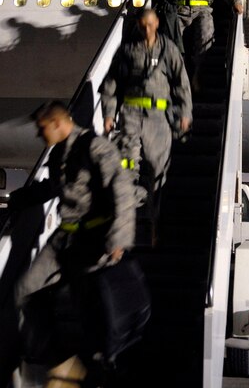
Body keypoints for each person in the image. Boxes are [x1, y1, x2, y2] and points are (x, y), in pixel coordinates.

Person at [7, 100, 147, 384]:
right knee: (24, 290)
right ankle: (52, 356)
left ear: (58, 123)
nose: (38, 135)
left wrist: (119, 239)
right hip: (63, 240)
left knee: (92, 313)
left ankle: (99, 370)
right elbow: (54, 187)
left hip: (92, 242)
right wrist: (19, 199)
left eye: (42, 128)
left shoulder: (96, 148)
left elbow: (122, 193)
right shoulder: (59, 152)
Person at [99, 8, 193, 241]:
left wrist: (185, 111)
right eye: (142, 25)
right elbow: (112, 83)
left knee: (156, 168)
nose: (146, 29)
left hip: (158, 116)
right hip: (130, 113)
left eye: (150, 25)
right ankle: (128, 222)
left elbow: (181, 81)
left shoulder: (168, 49)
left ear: (157, 23)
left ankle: (152, 218)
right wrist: (109, 114)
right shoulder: (128, 50)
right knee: (127, 164)